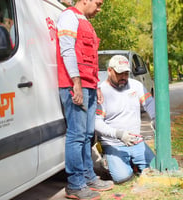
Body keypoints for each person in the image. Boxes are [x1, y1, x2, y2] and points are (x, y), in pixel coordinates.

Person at [56, 0, 113, 199]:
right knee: (77, 135)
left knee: (88, 135)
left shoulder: (85, 21)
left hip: (88, 84)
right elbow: (67, 51)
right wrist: (76, 83)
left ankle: (88, 176)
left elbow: (90, 57)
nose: (99, 8)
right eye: (97, 4)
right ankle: (74, 184)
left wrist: (95, 85)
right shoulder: (68, 17)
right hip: (75, 84)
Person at [95, 55, 155, 184]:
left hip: (136, 141)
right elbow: (96, 122)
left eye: (126, 73)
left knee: (155, 170)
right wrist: (119, 134)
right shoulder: (101, 92)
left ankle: (133, 162)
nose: (123, 77)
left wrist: (155, 119)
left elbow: (150, 103)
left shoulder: (136, 85)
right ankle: (107, 162)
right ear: (109, 71)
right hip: (114, 144)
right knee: (123, 179)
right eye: (119, 73)